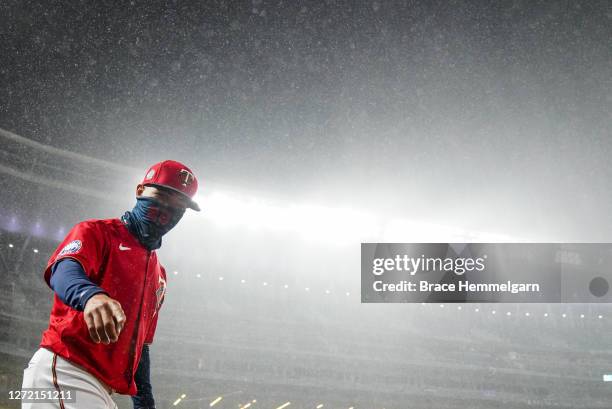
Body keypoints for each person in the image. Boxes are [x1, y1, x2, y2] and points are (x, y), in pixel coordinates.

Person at [21, 160, 200, 409]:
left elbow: (141, 348)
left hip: (102, 390)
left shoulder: (160, 275)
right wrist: (91, 296)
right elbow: (63, 271)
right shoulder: (98, 232)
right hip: (66, 370)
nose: (167, 208)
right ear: (140, 191)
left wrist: (145, 403)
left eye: (179, 204)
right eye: (161, 194)